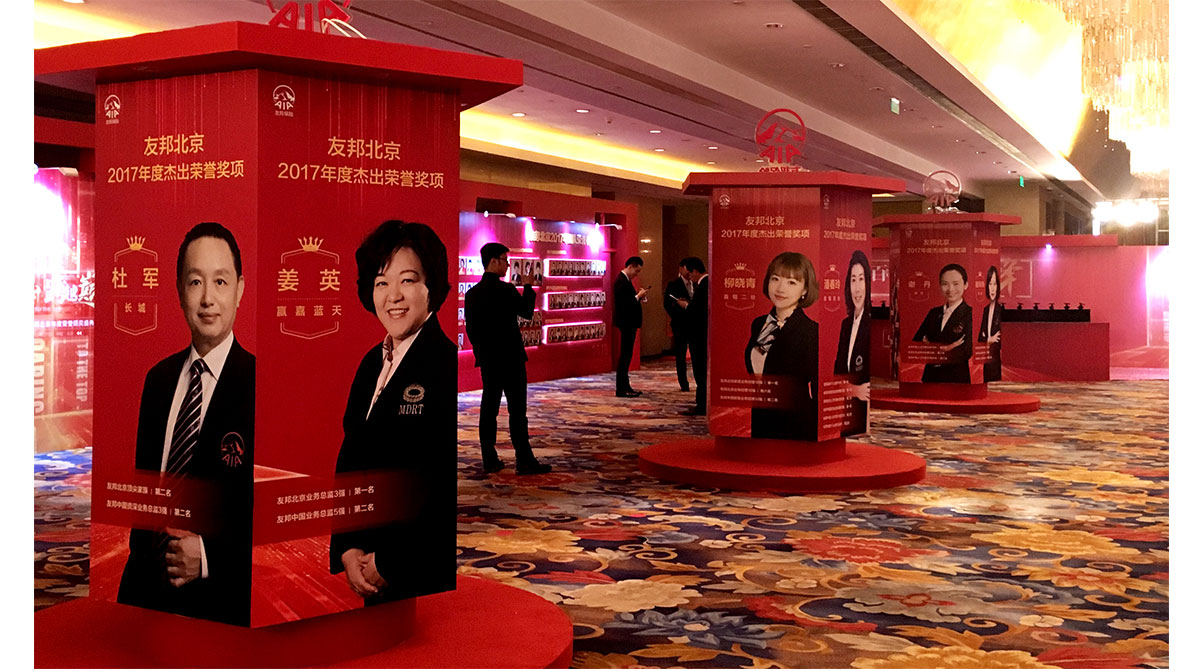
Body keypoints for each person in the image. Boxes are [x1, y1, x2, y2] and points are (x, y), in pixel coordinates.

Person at [117, 222, 255, 626]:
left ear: (240, 290)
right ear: (179, 291)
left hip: (219, 611)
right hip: (145, 599)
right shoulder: (158, 380)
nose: (208, 298)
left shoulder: (262, 385)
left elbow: (272, 515)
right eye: (195, 282)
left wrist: (210, 556)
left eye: (220, 282)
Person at [329, 220, 456, 604]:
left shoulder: (446, 365)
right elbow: (350, 459)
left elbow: (441, 481)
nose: (393, 296)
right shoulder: (372, 363)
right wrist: (348, 545)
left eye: (408, 280)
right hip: (368, 558)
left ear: (432, 287)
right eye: (381, 282)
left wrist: (392, 560)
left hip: (419, 568)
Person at [464, 242, 552, 475]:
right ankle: (524, 459)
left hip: (489, 360)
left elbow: (471, 330)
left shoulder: (472, 294)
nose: (507, 265)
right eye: (504, 260)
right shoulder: (506, 290)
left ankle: (489, 458)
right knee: (517, 411)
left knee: (488, 409)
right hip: (511, 358)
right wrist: (528, 287)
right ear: (493, 261)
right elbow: (526, 312)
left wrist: (482, 353)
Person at [743, 251, 819, 440]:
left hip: (795, 423)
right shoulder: (759, 324)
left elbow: (817, 384)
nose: (780, 288)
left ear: (805, 290)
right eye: (775, 279)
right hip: (761, 417)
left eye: (791, 282)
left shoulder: (810, 331)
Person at [913, 263, 974, 383]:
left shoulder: (970, 313)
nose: (950, 289)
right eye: (945, 284)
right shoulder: (934, 313)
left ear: (966, 285)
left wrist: (933, 347)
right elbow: (918, 340)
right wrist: (949, 347)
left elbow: (966, 351)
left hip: (956, 378)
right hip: (931, 376)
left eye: (956, 284)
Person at [834, 250, 871, 435]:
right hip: (848, 408)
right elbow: (837, 375)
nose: (857, 288)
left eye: (861, 279)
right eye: (853, 280)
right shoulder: (846, 325)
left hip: (865, 411)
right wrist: (854, 390)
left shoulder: (869, 322)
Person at [613, 256, 648, 397]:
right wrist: (638, 296)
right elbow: (624, 303)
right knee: (625, 355)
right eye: (636, 271)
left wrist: (639, 297)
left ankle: (625, 386)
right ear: (630, 266)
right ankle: (621, 388)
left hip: (630, 323)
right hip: (626, 322)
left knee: (627, 355)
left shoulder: (626, 281)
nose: (636, 275)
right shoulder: (620, 281)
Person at [680, 256, 708, 415]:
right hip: (701, 336)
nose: (689, 278)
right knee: (701, 371)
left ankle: (702, 405)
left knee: (700, 371)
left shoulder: (704, 285)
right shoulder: (705, 284)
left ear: (695, 271)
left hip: (699, 336)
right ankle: (701, 403)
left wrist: (686, 306)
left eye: (689, 274)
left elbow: (698, 312)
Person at [663, 259, 693, 392]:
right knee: (680, 354)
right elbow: (667, 304)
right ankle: (683, 382)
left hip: (695, 324)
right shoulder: (674, 285)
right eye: (687, 268)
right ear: (681, 268)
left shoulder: (697, 283)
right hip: (680, 324)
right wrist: (677, 314)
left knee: (697, 354)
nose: (689, 271)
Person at [979, 264, 1002, 382]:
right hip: (986, 359)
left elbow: (1000, 339)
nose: (992, 288)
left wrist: (988, 339)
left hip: (996, 360)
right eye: (990, 284)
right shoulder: (986, 310)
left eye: (995, 284)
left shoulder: (1001, 310)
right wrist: (989, 339)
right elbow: (980, 337)